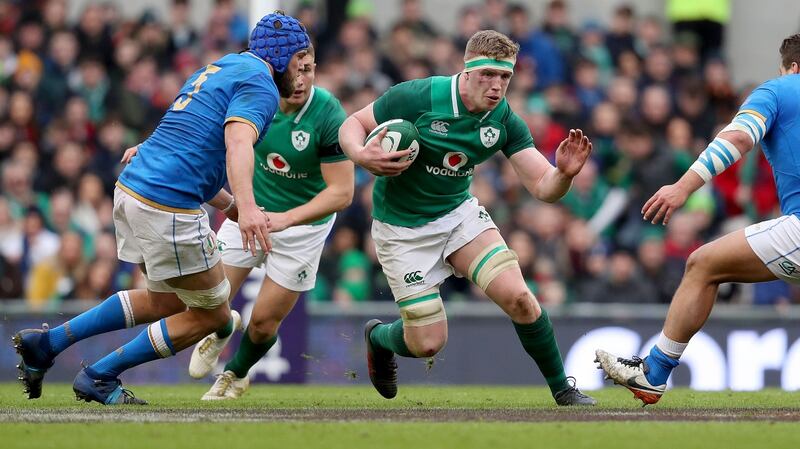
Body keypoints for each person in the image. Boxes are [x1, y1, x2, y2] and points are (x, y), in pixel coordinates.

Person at [12, 11, 311, 405]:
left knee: (164, 301)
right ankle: (99, 375)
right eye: (300, 64)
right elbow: (238, 144)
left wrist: (233, 205)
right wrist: (251, 208)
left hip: (135, 188)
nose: (303, 75)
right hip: (166, 204)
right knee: (214, 316)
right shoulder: (261, 86)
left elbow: (189, 151)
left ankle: (48, 343)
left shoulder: (221, 67)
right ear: (281, 58)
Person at [338, 30, 596, 406]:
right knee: (428, 343)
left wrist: (564, 174)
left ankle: (563, 389)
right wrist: (361, 156)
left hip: (458, 217)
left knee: (521, 298)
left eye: (505, 77)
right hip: (402, 229)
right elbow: (352, 124)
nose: (496, 86)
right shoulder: (419, 96)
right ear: (467, 69)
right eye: (488, 74)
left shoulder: (504, 119)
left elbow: (543, 187)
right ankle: (379, 338)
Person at [595, 34, 800, 406]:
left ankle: (654, 373)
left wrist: (682, 187)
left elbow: (736, 139)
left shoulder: (778, 90)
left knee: (703, 263)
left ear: (793, 68)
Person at [186, 45, 354, 400]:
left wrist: (286, 220)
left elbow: (341, 193)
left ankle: (236, 373)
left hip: (302, 228)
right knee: (208, 300)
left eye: (308, 69)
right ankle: (221, 329)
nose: (301, 79)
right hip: (250, 212)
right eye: (294, 70)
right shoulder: (252, 100)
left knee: (263, 323)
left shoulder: (327, 113)